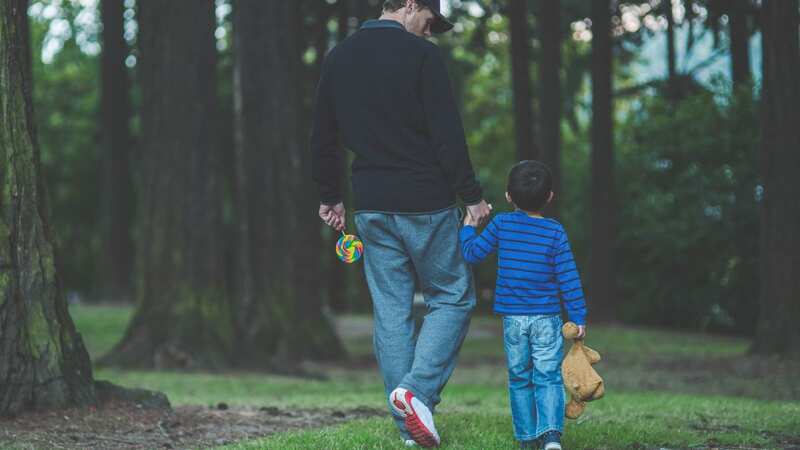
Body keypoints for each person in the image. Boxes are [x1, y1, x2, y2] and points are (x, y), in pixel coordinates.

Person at [310, 0, 492, 447]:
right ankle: (416, 394)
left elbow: (323, 135)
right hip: (425, 201)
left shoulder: (339, 57)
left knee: (391, 311)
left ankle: (409, 431)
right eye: (429, 24)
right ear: (411, 5)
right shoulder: (423, 57)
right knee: (451, 298)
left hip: (370, 205)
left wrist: (330, 196)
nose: (428, 34)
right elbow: (446, 132)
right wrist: (471, 195)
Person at [459, 161, 588, 450]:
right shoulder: (555, 232)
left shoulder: (502, 224)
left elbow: (472, 253)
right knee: (548, 376)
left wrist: (468, 226)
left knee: (519, 378)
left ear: (508, 196)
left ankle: (528, 438)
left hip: (514, 320)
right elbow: (568, 277)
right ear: (550, 197)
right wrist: (578, 316)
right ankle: (551, 437)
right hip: (547, 319)